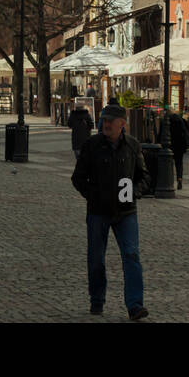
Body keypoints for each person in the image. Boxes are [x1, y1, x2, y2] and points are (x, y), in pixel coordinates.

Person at [71, 102, 150, 320]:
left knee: (132, 255)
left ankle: (135, 305)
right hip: (98, 212)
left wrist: (134, 192)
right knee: (96, 258)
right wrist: (93, 194)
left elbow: (144, 177)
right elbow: (78, 178)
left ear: (122, 124)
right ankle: (97, 299)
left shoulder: (133, 146)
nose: (105, 124)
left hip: (126, 212)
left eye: (109, 121)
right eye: (103, 120)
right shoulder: (92, 145)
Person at [164, 111, 189, 190]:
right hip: (180, 146)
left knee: (169, 164)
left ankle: (170, 180)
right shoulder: (182, 121)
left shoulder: (167, 122)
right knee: (179, 164)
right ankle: (179, 179)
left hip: (170, 145)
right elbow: (187, 131)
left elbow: (161, 134)